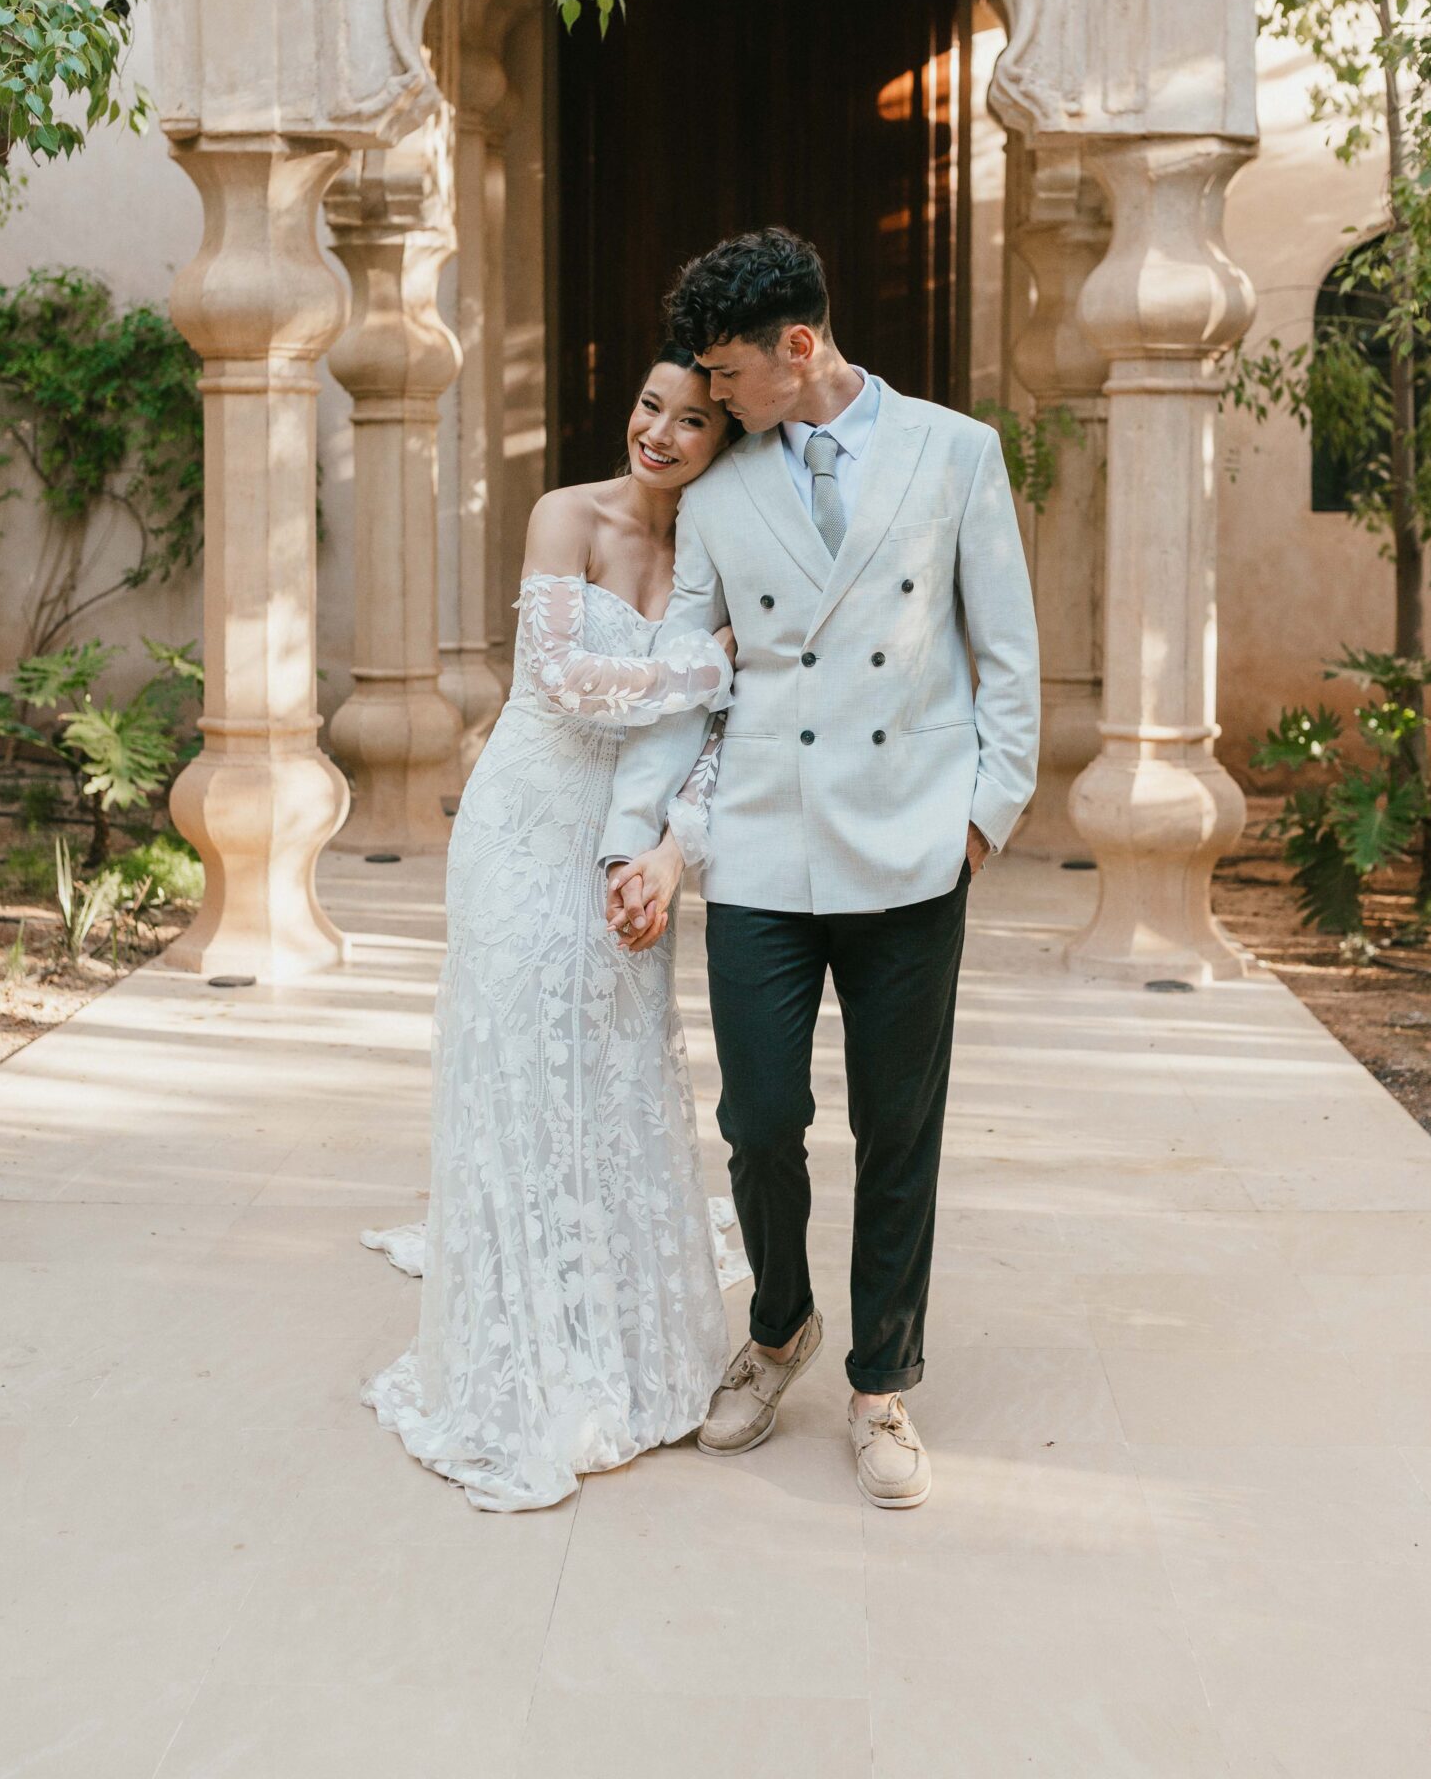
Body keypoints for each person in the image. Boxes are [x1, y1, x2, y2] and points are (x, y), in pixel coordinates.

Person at [604, 230, 1039, 1511]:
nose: (713, 402)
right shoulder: (720, 496)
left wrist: (981, 820)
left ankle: (879, 1380)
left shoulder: (957, 452)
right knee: (759, 1118)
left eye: (729, 376)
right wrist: (642, 839)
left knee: (897, 1127)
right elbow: (688, 682)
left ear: (799, 349)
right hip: (761, 849)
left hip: (912, 848)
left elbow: (1004, 651)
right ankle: (779, 1321)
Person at [362, 350, 740, 1512]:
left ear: (726, 443)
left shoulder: (715, 563)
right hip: (523, 823)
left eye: (691, 422)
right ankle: (517, 1345)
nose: (660, 434)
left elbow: (724, 738)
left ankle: (613, 1338)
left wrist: (675, 849)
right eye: (648, 406)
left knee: (614, 1071)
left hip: (625, 849)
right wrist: (710, 666)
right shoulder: (562, 515)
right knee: (517, 1066)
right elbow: (565, 679)